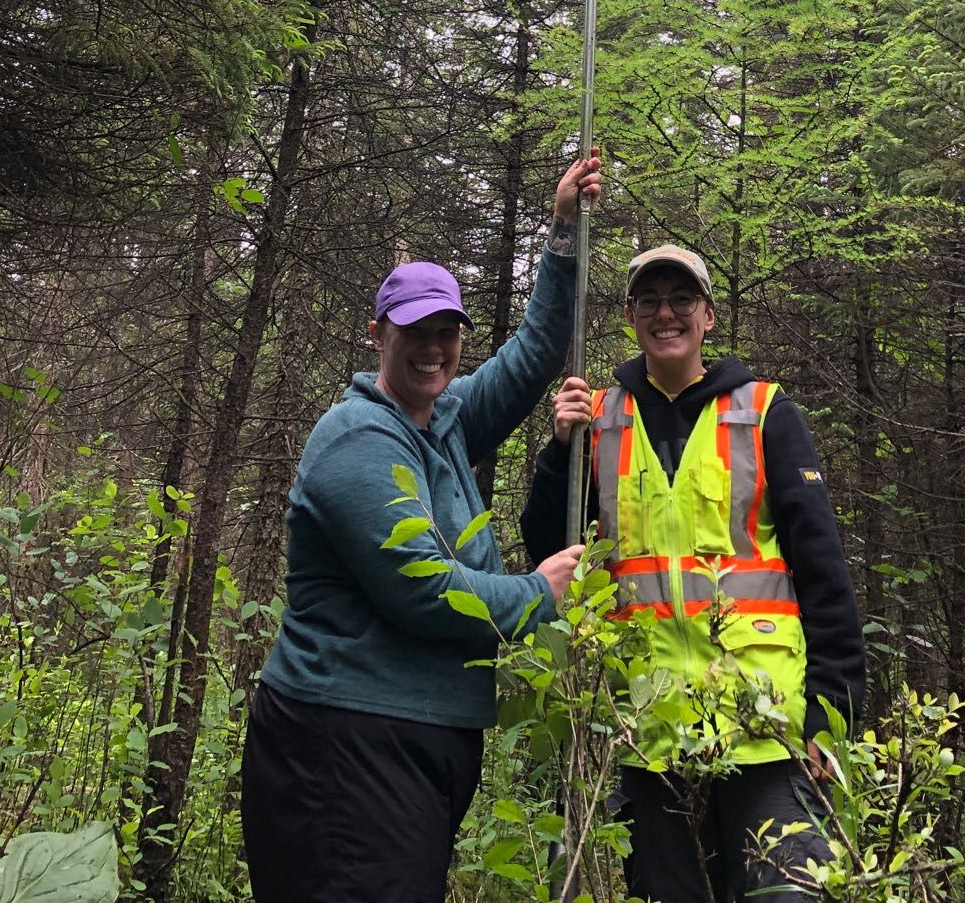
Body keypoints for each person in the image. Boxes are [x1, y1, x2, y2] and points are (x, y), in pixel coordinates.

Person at [241, 151, 600, 903]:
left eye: (448, 330)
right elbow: (426, 592)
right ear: (378, 334)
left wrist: (563, 229)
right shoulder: (355, 440)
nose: (434, 347)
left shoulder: (443, 421)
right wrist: (538, 591)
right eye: (415, 331)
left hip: (408, 746)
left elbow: (534, 351)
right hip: (341, 741)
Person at [520, 243, 865, 903]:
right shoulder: (598, 418)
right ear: (629, 316)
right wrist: (560, 454)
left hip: (767, 733)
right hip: (650, 738)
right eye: (649, 300)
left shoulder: (765, 412)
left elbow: (823, 573)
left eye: (681, 300)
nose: (665, 313)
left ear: (708, 315)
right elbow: (548, 550)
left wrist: (830, 715)